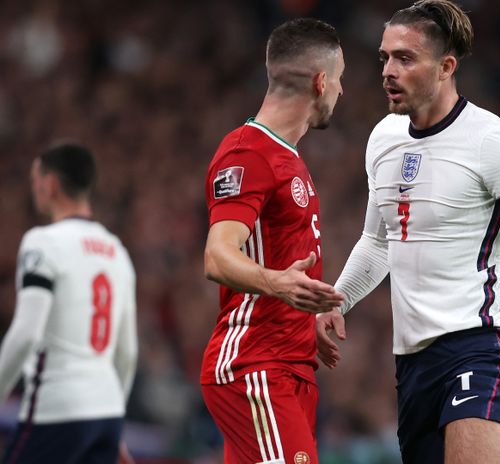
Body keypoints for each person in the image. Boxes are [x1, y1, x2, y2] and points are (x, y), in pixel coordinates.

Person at [315, 1, 500, 463]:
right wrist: (339, 299)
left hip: (481, 347)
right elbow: (378, 243)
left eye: (405, 58)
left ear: (446, 67)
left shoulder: (492, 142)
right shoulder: (382, 140)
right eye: (385, 57)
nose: (388, 71)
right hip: (413, 364)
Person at [201, 18, 345, 464]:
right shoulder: (249, 152)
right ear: (321, 82)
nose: (342, 93)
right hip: (255, 366)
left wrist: (307, 316)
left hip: (288, 367)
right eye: (340, 81)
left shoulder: (287, 158)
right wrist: (278, 284)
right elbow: (217, 255)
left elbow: (279, 260)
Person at [0, 143, 138, 464]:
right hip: (107, 412)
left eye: (35, 180)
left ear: (51, 183)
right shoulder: (118, 252)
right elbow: (128, 352)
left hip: (57, 409)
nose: (34, 189)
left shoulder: (44, 243)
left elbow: (26, 333)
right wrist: (114, 422)